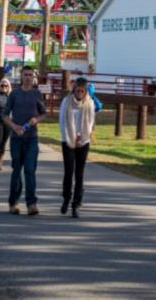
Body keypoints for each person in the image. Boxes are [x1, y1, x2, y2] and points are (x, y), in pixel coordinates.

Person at [3, 67, 46, 215]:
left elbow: (43, 114)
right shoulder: (14, 94)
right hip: (16, 138)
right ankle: (13, 202)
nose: (28, 77)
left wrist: (36, 119)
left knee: (29, 170)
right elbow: (4, 115)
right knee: (17, 171)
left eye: (30, 75)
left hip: (32, 138)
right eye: (25, 75)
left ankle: (31, 204)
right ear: (21, 76)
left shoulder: (37, 94)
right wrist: (14, 127)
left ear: (33, 77)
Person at [59, 77, 97, 218]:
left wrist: (82, 136)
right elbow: (62, 121)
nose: (80, 93)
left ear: (85, 91)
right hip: (68, 139)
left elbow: (90, 122)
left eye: (82, 91)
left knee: (79, 173)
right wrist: (71, 136)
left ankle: (76, 204)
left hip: (83, 140)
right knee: (68, 171)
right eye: (77, 90)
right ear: (73, 90)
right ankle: (66, 198)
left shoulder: (90, 103)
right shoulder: (66, 102)